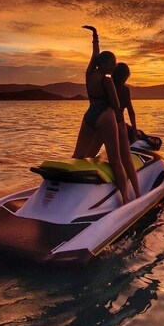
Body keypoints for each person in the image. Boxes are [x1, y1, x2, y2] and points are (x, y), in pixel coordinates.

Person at [71, 26, 130, 204]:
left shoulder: (89, 74)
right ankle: (126, 200)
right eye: (113, 64)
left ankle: (71, 189)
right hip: (105, 115)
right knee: (116, 160)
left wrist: (95, 36)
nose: (114, 67)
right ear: (105, 64)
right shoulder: (107, 80)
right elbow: (116, 104)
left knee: (77, 156)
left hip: (89, 115)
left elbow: (95, 55)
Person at [112, 62, 142, 199]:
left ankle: (134, 194)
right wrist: (134, 130)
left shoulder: (110, 86)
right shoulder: (121, 89)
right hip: (117, 125)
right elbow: (130, 111)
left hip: (113, 124)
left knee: (122, 159)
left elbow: (130, 110)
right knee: (126, 160)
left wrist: (134, 129)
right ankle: (134, 194)